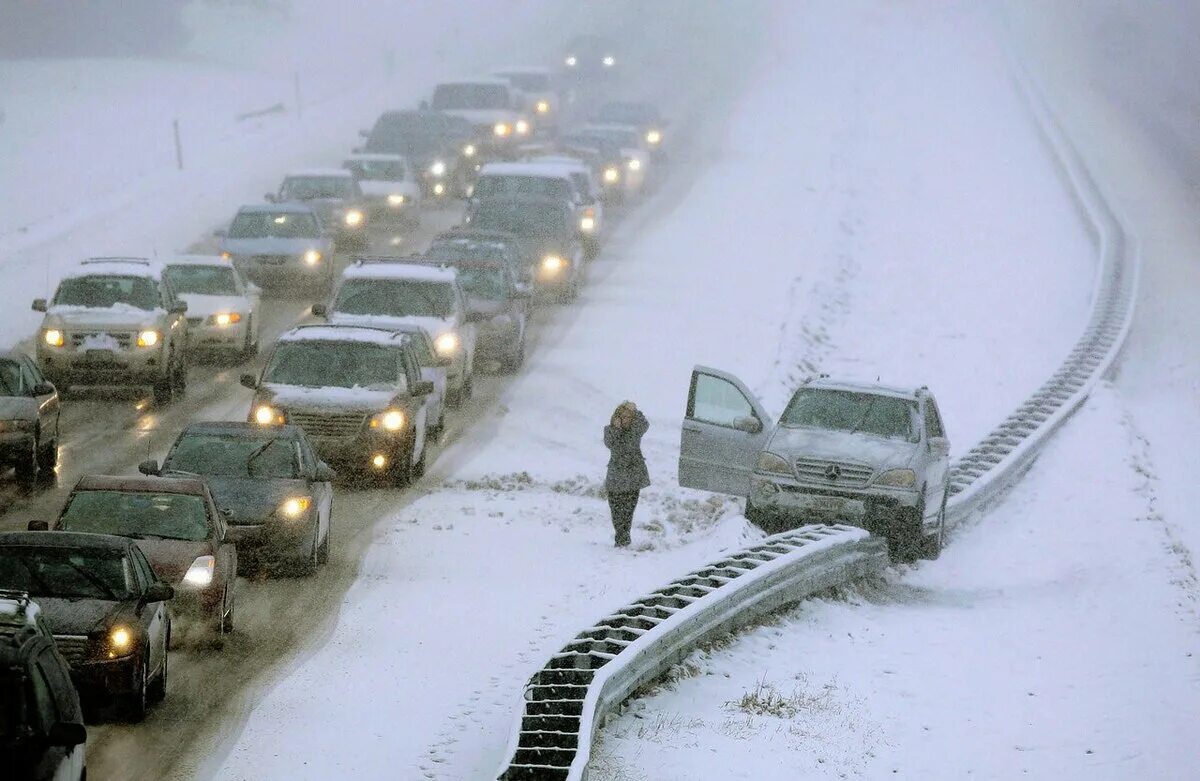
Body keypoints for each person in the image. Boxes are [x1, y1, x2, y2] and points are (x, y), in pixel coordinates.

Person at [603, 401, 649, 547]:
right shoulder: (610, 430)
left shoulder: (635, 430)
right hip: (616, 476)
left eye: (629, 416)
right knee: (616, 510)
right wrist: (616, 428)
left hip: (633, 475)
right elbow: (609, 443)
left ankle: (623, 538)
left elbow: (645, 424)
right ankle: (620, 536)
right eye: (623, 416)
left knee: (628, 510)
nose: (626, 419)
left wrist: (636, 410)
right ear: (617, 417)